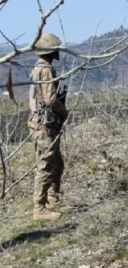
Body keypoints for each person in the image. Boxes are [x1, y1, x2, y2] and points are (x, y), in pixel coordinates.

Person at [28, 32, 68, 221]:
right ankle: (39, 208)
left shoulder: (41, 68)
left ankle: (53, 199)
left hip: (47, 123)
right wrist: (64, 112)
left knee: (57, 163)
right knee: (46, 164)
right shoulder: (45, 70)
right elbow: (50, 99)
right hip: (44, 124)